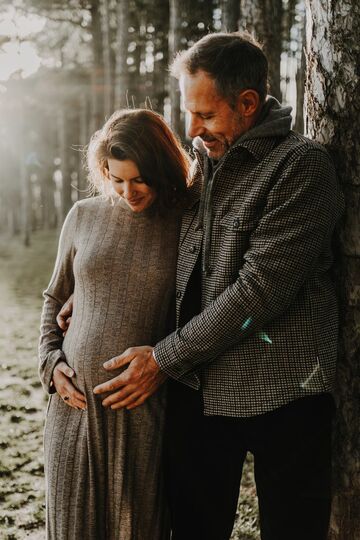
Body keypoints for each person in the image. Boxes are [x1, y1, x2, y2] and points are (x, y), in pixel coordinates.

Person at [59, 33, 344, 540]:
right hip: (200, 393)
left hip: (282, 391)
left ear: (248, 104)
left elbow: (260, 292)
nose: (191, 130)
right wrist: (95, 285)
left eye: (206, 115)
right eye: (188, 113)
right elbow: (171, 252)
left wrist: (164, 358)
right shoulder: (203, 168)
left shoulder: (301, 169)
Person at [38, 108, 190, 540]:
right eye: (116, 178)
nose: (128, 191)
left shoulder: (185, 223)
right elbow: (54, 297)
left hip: (141, 408)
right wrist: (50, 364)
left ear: (161, 166)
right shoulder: (83, 216)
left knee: (137, 528)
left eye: (139, 179)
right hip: (73, 408)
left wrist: (166, 364)